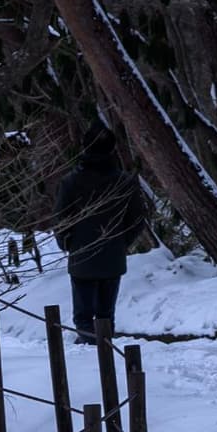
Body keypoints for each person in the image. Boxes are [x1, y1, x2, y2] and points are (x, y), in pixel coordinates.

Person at [55, 127, 150, 346]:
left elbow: (61, 219)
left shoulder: (71, 182)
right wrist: (120, 242)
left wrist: (68, 243)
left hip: (82, 255)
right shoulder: (124, 182)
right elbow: (137, 219)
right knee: (106, 315)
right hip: (112, 257)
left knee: (83, 316)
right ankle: (105, 351)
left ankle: (90, 355)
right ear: (112, 149)